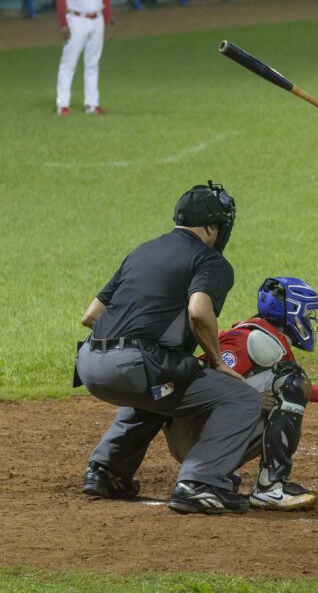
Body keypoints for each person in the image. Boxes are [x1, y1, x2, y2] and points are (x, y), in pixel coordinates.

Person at [75, 181, 262, 515]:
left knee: (162, 388)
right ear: (211, 228)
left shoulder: (143, 251)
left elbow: (91, 316)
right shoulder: (210, 260)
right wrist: (218, 361)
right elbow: (198, 311)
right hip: (135, 366)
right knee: (242, 398)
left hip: (89, 364)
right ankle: (200, 483)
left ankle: (107, 471)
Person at [162, 277, 318, 511]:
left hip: (200, 433)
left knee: (288, 384)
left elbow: (295, 386)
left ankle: (215, 474)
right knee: (288, 384)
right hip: (193, 431)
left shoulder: (269, 340)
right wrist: (248, 400)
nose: (309, 319)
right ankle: (270, 487)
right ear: (292, 312)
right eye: (307, 313)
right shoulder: (251, 339)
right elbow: (204, 378)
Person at [52, 0, 113, 117]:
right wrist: (63, 23)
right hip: (76, 20)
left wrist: (108, 21)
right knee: (68, 64)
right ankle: (63, 105)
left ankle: (92, 105)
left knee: (93, 63)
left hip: (97, 20)